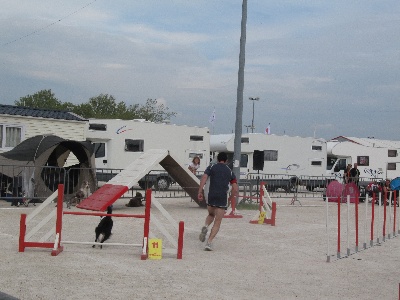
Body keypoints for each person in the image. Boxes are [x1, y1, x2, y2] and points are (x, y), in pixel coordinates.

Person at [197, 152, 238, 251]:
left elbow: (204, 177)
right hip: (222, 198)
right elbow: (235, 188)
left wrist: (200, 191)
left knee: (211, 214)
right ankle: (209, 242)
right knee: (218, 221)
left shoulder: (211, 167)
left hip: (212, 196)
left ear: (217, 159)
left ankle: (206, 226)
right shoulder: (230, 171)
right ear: (226, 161)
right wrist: (230, 198)